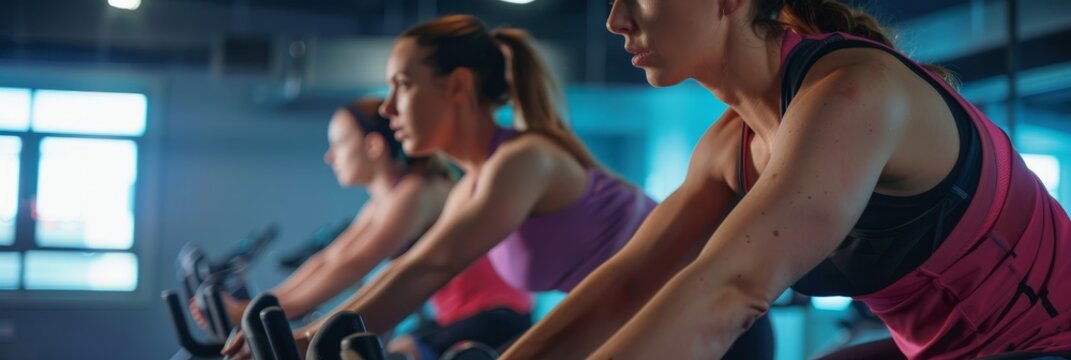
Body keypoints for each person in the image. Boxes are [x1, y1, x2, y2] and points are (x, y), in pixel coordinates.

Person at [503, 0, 1071, 359]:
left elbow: (730, 291)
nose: (615, 20)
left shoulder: (854, 91)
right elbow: (629, 284)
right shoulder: (734, 145)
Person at [223, 14, 772, 359]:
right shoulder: (472, 185)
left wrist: (311, 336)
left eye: (404, 86)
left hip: (714, 332)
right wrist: (316, 330)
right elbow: (404, 271)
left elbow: (430, 266)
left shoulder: (524, 161)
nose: (388, 108)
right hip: (624, 328)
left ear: (457, 86)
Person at [202, 98, 532, 360]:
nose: (330, 156)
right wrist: (264, 309)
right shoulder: (383, 202)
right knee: (393, 346)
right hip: (455, 317)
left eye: (340, 143)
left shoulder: (416, 192)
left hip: (497, 317)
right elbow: (329, 260)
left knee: (400, 351)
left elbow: (354, 265)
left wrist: (257, 314)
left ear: (374, 146)